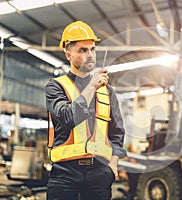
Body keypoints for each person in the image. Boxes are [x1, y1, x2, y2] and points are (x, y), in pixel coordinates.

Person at [45, 21, 127, 200]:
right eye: (82, 50)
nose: (90, 55)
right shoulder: (56, 87)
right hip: (64, 174)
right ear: (68, 54)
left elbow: (117, 133)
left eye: (92, 49)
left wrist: (112, 166)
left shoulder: (107, 92)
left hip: (100, 175)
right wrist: (91, 86)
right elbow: (67, 117)